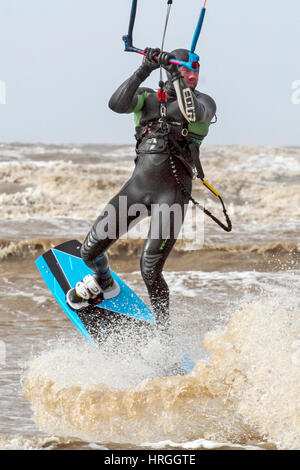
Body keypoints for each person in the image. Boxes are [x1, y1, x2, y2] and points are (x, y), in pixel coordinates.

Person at [66, 48, 216, 331]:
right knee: (89, 252)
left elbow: (191, 112)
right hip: (138, 188)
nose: (192, 75)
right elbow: (116, 104)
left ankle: (164, 335)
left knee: (149, 269)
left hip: (171, 196)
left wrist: (175, 74)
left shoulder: (204, 102)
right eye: (185, 69)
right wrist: (144, 68)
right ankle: (104, 283)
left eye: (194, 70)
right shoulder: (147, 97)